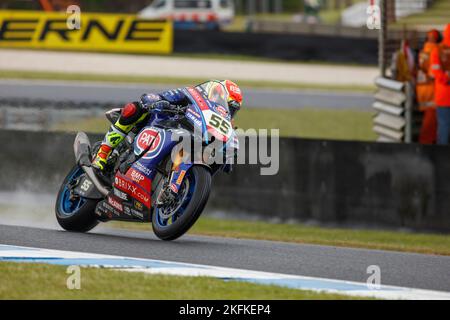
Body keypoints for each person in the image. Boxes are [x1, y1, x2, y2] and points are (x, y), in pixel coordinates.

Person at [92, 80, 243, 171]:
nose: (227, 110)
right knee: (135, 108)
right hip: (162, 123)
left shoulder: (224, 125)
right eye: (228, 105)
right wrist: (158, 100)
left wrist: (228, 157)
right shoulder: (193, 94)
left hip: (190, 139)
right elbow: (156, 97)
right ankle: (103, 152)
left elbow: (228, 146)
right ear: (215, 94)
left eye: (232, 109)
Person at [416, 29, 441, 144]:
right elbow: (433, 74)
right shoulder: (435, 51)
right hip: (431, 90)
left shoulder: (423, 52)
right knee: (431, 121)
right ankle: (427, 143)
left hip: (421, 90)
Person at [431, 24, 450, 145]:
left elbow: (436, 72)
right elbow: (437, 73)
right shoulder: (437, 51)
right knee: (444, 128)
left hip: (442, 96)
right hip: (444, 97)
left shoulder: (436, 50)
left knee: (444, 128)